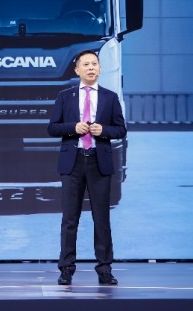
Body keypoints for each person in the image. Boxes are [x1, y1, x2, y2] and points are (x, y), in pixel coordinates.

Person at [47, 50, 127, 286]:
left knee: (101, 218)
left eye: (94, 64)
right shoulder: (65, 96)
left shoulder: (110, 97)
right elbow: (53, 128)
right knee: (69, 218)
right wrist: (73, 128)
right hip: (73, 162)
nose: (91, 68)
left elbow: (121, 129)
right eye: (86, 64)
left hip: (98, 162)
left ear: (100, 69)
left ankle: (104, 269)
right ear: (77, 70)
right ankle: (66, 269)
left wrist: (104, 131)